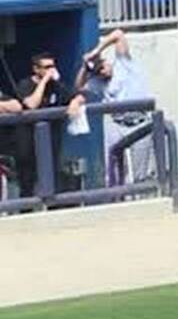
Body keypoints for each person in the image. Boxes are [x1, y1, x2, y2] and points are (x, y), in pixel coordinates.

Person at [75, 29, 153, 186]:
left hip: (139, 120)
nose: (103, 72)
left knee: (141, 173)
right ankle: (117, 196)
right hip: (117, 124)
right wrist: (85, 67)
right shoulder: (99, 82)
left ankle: (142, 197)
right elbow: (79, 86)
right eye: (98, 71)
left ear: (106, 62)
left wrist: (96, 51)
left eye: (102, 67)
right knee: (113, 166)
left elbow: (118, 34)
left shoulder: (123, 64)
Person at [11, 53, 87, 198]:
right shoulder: (25, 84)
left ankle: (53, 205)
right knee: (27, 179)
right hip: (28, 141)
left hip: (51, 139)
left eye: (52, 66)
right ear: (36, 69)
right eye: (46, 67)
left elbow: (78, 95)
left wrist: (75, 101)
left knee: (52, 175)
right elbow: (31, 104)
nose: (51, 70)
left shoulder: (56, 85)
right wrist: (44, 81)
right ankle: (26, 207)